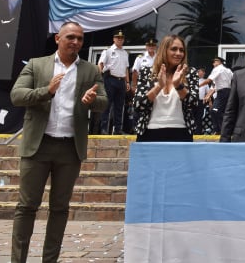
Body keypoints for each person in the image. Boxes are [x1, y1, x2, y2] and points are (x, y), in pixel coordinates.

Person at [9, 21, 108, 263]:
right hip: (38, 146)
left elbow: (103, 102)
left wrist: (91, 101)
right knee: (26, 207)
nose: (76, 42)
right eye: (71, 37)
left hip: (69, 148)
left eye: (80, 39)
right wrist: (47, 90)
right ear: (57, 39)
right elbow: (16, 96)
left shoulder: (90, 70)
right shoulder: (37, 65)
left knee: (60, 209)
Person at [133, 35, 200, 142]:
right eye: (174, 49)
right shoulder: (146, 72)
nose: (178, 53)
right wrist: (159, 87)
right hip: (149, 132)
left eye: (181, 50)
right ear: (164, 50)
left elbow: (194, 105)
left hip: (181, 132)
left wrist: (178, 86)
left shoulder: (190, 73)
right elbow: (138, 105)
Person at [97, 30, 129, 135]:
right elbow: (100, 64)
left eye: (121, 38)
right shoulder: (108, 51)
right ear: (114, 39)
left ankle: (117, 129)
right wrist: (99, 78)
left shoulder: (125, 53)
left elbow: (126, 69)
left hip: (121, 81)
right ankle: (104, 129)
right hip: (110, 79)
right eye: (118, 38)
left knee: (119, 106)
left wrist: (127, 82)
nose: (120, 40)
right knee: (107, 104)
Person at [126, 38, 157, 134]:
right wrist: (134, 86)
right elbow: (135, 72)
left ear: (155, 47)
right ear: (146, 47)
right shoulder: (140, 58)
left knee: (153, 107)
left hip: (155, 86)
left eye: (153, 46)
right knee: (138, 106)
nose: (151, 47)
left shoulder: (159, 57)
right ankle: (136, 128)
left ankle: (150, 129)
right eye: (149, 45)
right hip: (142, 86)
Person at [200, 56, 233, 134]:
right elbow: (213, 87)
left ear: (219, 62)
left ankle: (220, 130)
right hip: (228, 92)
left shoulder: (218, 69)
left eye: (215, 61)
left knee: (215, 111)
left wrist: (197, 86)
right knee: (221, 112)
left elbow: (209, 80)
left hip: (223, 92)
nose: (213, 63)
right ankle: (221, 130)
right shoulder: (228, 70)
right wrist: (207, 96)